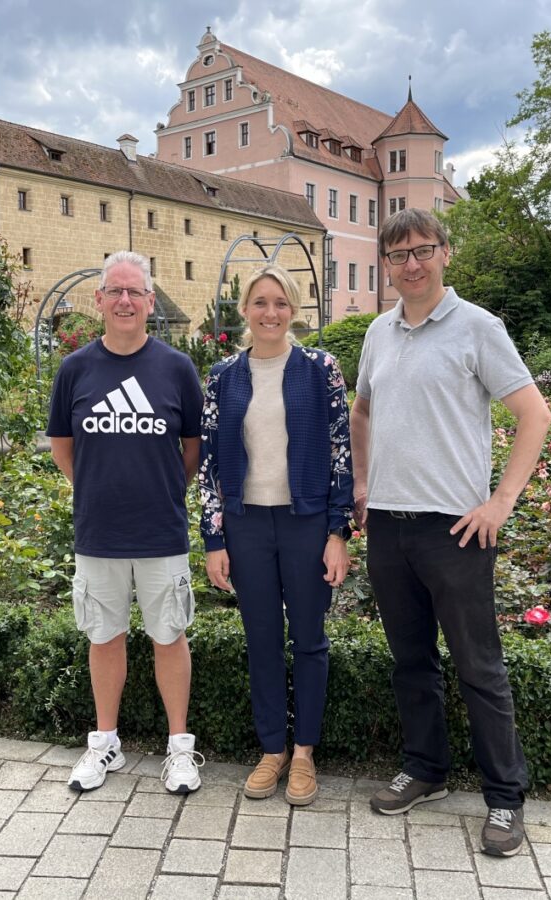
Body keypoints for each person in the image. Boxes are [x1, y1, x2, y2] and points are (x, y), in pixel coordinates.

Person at [352, 208, 551, 856]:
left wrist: (501, 502)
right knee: (411, 662)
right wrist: (362, 485)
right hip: (388, 525)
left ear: (445, 252)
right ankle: (426, 771)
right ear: (386, 263)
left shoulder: (478, 328)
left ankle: (504, 798)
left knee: (479, 667)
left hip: (456, 530)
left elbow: (534, 415)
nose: (411, 264)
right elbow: (362, 411)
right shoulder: (378, 332)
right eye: (399, 254)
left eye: (423, 250)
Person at [47, 250, 205, 795]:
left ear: (150, 301)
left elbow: (192, 448)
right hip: (99, 533)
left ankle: (179, 748)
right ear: (98, 300)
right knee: (104, 636)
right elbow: (62, 448)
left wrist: (163, 489)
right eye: (115, 291)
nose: (124, 300)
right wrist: (97, 488)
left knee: (170, 636)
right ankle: (105, 744)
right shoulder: (75, 370)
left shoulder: (177, 368)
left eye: (135, 291)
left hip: (161, 530)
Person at [198, 265, 353, 806]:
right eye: (260, 302)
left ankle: (304, 752)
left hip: (305, 521)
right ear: (245, 310)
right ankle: (272, 749)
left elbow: (341, 451)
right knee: (261, 639)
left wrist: (338, 532)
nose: (271, 313)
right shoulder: (223, 376)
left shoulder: (320, 369)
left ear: (294, 310)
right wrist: (214, 539)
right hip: (246, 524)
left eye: (281, 303)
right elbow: (210, 463)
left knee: (309, 638)